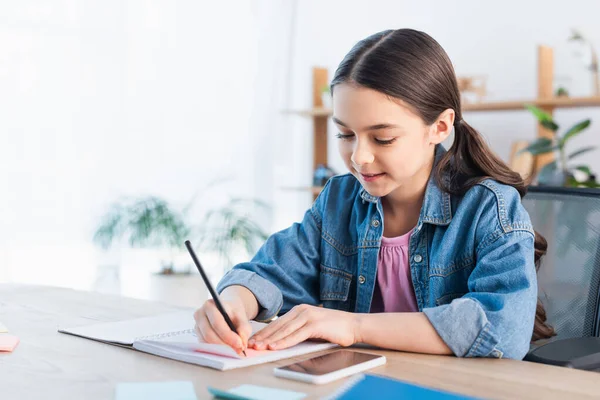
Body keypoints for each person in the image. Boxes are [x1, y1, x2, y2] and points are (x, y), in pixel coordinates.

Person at [193, 28, 554, 360]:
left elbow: (502, 329)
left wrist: (352, 327)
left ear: (439, 128)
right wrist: (233, 300)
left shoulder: (488, 208)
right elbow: (269, 272)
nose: (359, 157)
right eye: (345, 135)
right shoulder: (339, 200)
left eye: (383, 138)